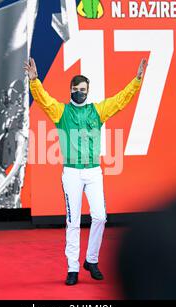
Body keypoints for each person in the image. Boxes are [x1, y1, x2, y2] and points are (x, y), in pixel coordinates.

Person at [24, 57, 146, 285]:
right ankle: (72, 268)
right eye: (76, 89)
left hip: (93, 172)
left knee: (100, 216)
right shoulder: (61, 112)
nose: (80, 92)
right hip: (71, 172)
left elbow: (120, 100)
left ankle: (91, 260)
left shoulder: (97, 111)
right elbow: (44, 100)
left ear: (88, 91)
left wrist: (137, 80)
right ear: (70, 90)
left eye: (83, 90)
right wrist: (34, 81)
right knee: (73, 221)